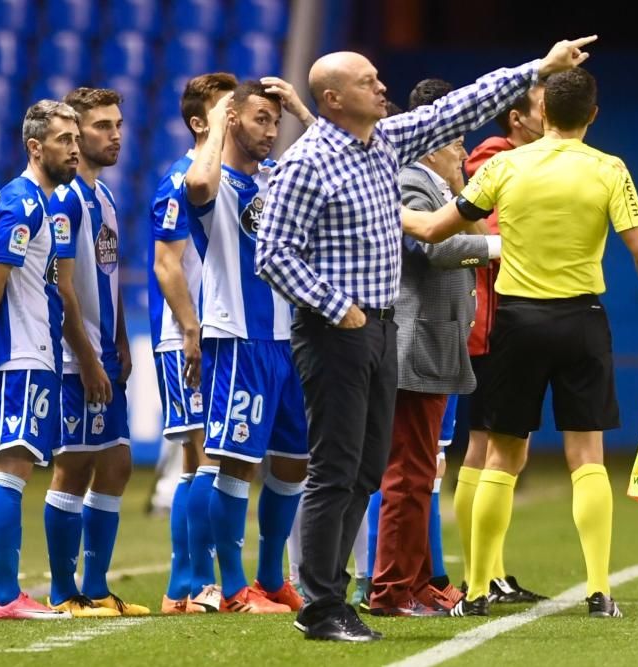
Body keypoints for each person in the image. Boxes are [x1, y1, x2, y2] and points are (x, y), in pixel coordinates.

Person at [256, 36, 598, 642]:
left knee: (365, 468)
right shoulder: (306, 162)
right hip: (338, 330)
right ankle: (320, 603)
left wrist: (540, 67)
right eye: (367, 81)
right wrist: (342, 310)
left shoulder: (382, 142)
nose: (381, 86)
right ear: (333, 99)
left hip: (381, 327)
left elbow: (459, 107)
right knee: (335, 466)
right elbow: (273, 254)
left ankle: (335, 592)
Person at [400, 67, 638, 618]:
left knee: (500, 457)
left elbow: (435, 229)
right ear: (593, 116)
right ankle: (600, 591)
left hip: (518, 322)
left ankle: (477, 592)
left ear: (544, 112)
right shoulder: (609, 169)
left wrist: (393, 214)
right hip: (583, 321)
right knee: (587, 457)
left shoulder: (505, 165)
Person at [183, 78, 316, 614]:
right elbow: (196, 183)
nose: (270, 130)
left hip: (290, 340)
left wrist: (305, 112)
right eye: (260, 118)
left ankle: (267, 578)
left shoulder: (276, 179)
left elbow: (334, 157)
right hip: (237, 337)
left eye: (275, 121)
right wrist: (219, 121)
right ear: (234, 119)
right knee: (235, 461)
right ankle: (234, 589)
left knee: (293, 463)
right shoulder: (212, 183)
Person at [370, 77, 496, 617]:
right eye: (457, 144)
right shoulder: (409, 183)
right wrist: (496, 247)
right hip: (415, 344)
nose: (464, 153)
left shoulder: (435, 189)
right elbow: (434, 250)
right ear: (430, 146)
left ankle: (418, 583)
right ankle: (390, 590)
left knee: (422, 472)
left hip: (435, 344)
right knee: (407, 474)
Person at [0, 100, 78, 620]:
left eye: (75, 138)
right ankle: (3, 596)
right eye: (64, 139)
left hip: (36, 351)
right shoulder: (22, 203)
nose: (73, 148)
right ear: (35, 147)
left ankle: (8, 592)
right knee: (10, 468)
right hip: (21, 353)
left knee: (17, 467)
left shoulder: (45, 204)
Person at [42, 87, 148, 618]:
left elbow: (107, 277)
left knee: (117, 463)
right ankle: (64, 592)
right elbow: (61, 288)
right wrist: (85, 357)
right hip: (72, 359)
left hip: (104, 353)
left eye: (118, 124)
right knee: (74, 465)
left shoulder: (103, 197)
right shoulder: (66, 199)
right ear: (76, 136)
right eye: (103, 126)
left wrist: (122, 339)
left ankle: (97, 586)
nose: (116, 134)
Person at [455, 81, 548, 604]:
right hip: (490, 324)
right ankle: (481, 575)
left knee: (505, 451)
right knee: (487, 449)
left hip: (507, 323)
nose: (549, 119)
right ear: (516, 118)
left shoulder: (524, 162)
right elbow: (486, 239)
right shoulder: (494, 159)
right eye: (541, 110)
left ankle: (492, 570)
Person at [149, 72, 238, 614]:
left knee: (201, 459)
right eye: (226, 109)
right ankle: (194, 580)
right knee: (202, 456)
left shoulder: (233, 177)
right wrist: (190, 330)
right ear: (200, 122)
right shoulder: (181, 179)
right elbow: (167, 263)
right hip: (190, 336)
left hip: (216, 332)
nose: (235, 116)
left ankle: (184, 585)